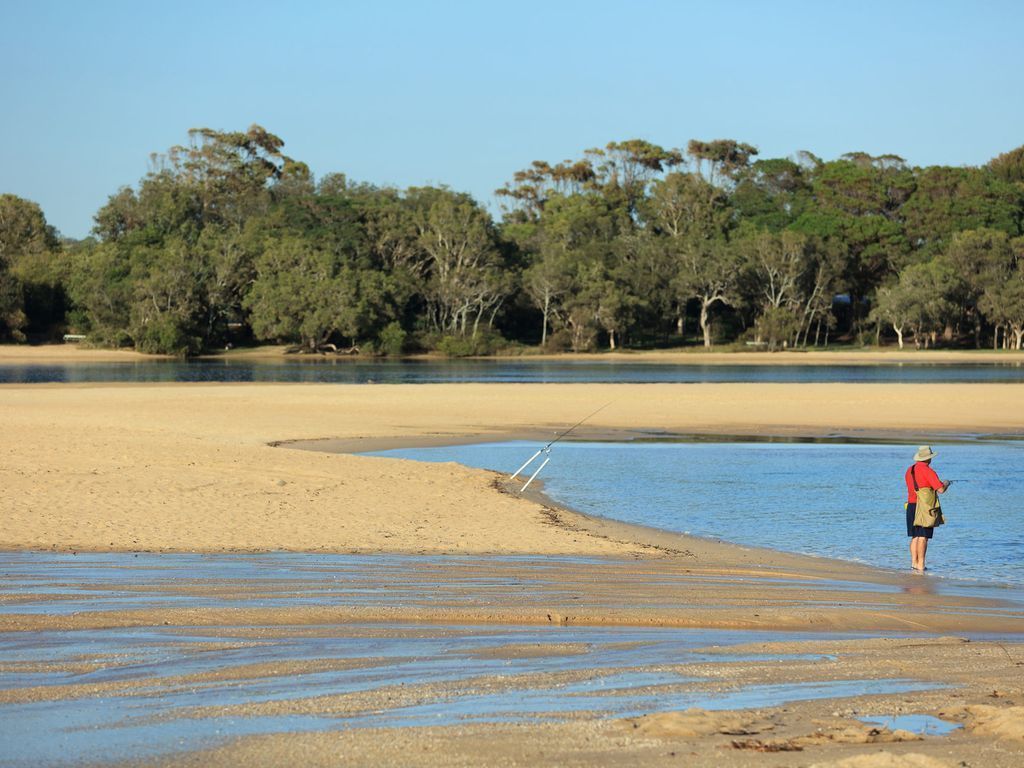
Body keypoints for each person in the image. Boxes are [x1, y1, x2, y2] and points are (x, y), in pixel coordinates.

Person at [904, 445, 951, 572]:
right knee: (923, 537)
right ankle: (921, 565)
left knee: (914, 536)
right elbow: (940, 490)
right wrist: (946, 483)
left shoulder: (909, 470)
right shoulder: (928, 471)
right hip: (924, 507)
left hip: (911, 505)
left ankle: (914, 563)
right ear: (928, 458)